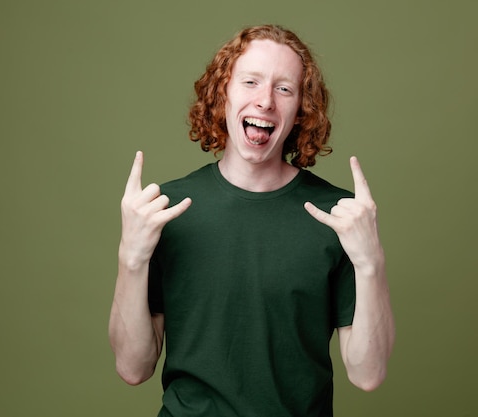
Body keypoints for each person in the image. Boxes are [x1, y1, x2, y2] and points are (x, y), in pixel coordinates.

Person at [109, 24, 395, 417]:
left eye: (284, 89)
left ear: (299, 112)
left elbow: (368, 374)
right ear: (222, 94)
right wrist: (131, 257)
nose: (265, 101)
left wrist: (371, 262)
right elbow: (132, 368)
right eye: (250, 82)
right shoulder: (164, 211)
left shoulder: (341, 217)